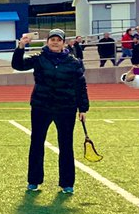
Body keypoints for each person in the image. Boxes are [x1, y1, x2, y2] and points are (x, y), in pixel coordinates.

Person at [12, 29, 89, 195]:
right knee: (37, 143)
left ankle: (67, 184)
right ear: (47, 42)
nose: (55, 42)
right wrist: (21, 47)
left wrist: (83, 108)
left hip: (66, 108)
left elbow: (80, 86)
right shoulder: (39, 58)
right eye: (52, 39)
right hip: (42, 106)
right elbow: (18, 65)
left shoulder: (73, 62)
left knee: (66, 145)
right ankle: (34, 181)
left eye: (58, 40)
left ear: (63, 43)